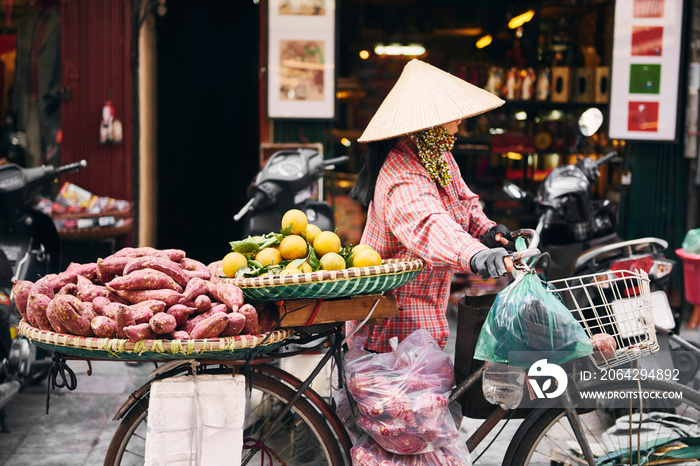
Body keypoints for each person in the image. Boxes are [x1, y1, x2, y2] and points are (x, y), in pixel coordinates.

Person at [347, 59, 515, 353]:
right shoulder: (402, 175)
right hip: (392, 324)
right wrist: (474, 254)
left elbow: (464, 202)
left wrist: (488, 232)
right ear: (430, 123)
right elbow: (428, 224)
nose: (460, 120)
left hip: (424, 315)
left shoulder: (438, 157)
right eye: (452, 114)